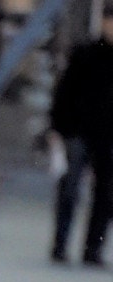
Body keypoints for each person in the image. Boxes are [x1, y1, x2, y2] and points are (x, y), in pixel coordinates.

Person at [48, 8, 113, 267]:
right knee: (70, 190)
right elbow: (64, 91)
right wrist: (56, 128)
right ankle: (60, 244)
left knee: (106, 194)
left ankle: (93, 249)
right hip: (78, 132)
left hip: (108, 137)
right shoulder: (86, 53)